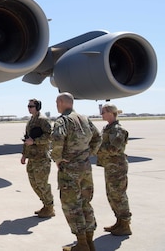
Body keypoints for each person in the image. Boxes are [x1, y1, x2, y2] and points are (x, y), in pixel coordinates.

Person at [51, 92, 101, 251]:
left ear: (60, 102)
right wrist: (89, 153)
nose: (56, 105)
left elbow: (58, 140)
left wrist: (57, 158)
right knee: (86, 203)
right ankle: (89, 242)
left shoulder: (63, 120)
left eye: (56, 102)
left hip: (70, 169)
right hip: (85, 167)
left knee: (72, 205)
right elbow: (98, 137)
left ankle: (81, 244)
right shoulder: (85, 119)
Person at [97, 103, 132, 236]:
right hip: (110, 166)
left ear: (111, 113)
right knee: (112, 195)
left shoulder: (118, 130)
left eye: (104, 112)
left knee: (119, 195)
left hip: (117, 167)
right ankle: (119, 221)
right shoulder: (108, 128)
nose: (102, 114)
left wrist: (97, 150)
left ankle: (125, 224)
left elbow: (115, 148)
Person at [20, 98, 54, 218]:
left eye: (31, 106)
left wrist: (35, 141)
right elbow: (27, 138)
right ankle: (46, 205)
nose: (29, 108)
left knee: (42, 183)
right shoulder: (30, 121)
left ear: (38, 107)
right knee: (34, 183)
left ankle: (50, 207)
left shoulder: (43, 120)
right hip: (32, 157)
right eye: (28, 106)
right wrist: (24, 154)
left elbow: (50, 136)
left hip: (41, 158)